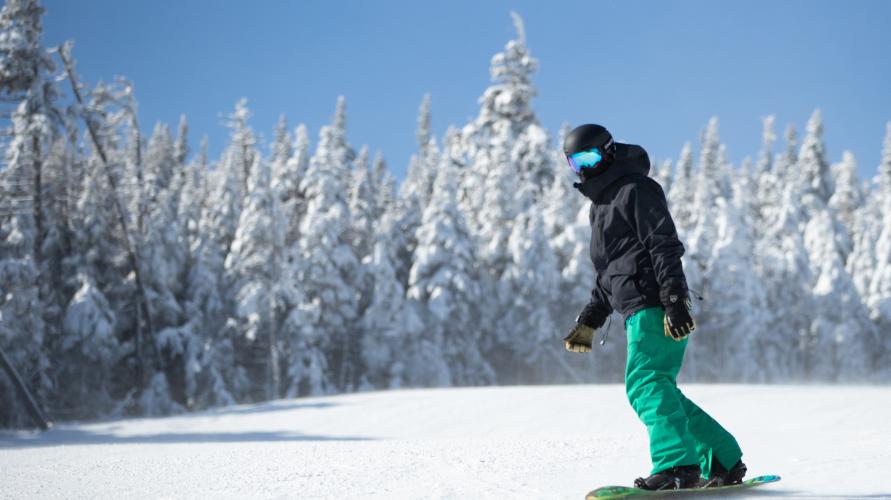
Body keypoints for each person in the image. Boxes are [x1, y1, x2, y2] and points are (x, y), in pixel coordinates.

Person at [561, 124, 746, 490]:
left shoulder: (636, 189)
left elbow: (663, 245)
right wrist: (590, 318)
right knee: (661, 388)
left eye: (590, 157)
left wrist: (674, 300)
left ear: (609, 152)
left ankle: (677, 465)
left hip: (655, 304)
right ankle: (723, 457)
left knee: (645, 384)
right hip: (637, 309)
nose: (585, 168)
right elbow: (610, 273)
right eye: (575, 162)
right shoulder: (601, 208)